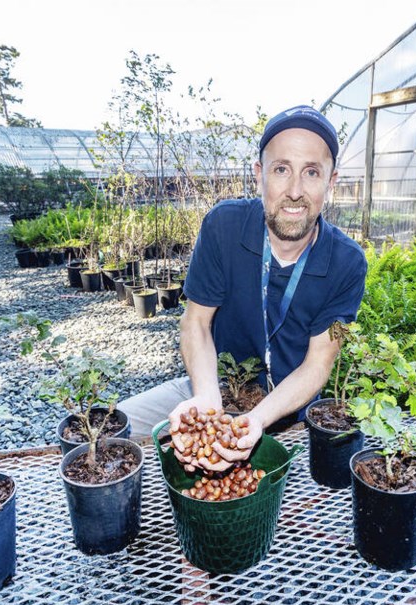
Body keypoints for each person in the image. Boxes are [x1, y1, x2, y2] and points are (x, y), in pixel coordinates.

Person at [118, 105, 367, 471]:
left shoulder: (348, 263)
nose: (295, 191)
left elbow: (318, 364)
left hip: (284, 410)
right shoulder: (225, 227)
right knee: (113, 431)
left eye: (311, 172)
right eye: (281, 169)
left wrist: (256, 420)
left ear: (331, 183)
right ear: (258, 176)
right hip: (214, 387)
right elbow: (196, 323)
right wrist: (206, 398)